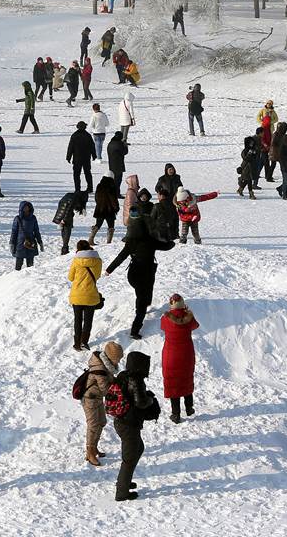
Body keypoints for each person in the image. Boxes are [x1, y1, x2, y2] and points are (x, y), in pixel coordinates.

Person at [106, 205, 175, 339]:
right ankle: (134, 330)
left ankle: (145, 304)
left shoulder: (131, 241)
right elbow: (167, 246)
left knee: (145, 294)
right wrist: (172, 240)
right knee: (142, 301)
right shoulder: (151, 240)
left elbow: (121, 257)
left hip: (133, 274)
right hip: (146, 274)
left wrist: (109, 269)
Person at [112, 351, 159, 501]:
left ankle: (124, 481)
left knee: (139, 448)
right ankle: (122, 492)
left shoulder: (123, 375)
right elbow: (141, 402)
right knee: (130, 458)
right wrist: (151, 399)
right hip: (128, 424)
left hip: (122, 421)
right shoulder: (136, 379)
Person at [80, 342, 122, 466]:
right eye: (117, 359)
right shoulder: (99, 369)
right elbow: (105, 389)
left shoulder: (106, 365)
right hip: (90, 399)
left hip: (96, 398)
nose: (118, 362)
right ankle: (89, 452)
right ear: (111, 357)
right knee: (93, 425)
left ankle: (94, 447)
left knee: (102, 422)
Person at [159, 294, 199, 423]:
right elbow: (195, 326)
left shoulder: (165, 319)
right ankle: (189, 408)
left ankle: (175, 414)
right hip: (186, 353)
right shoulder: (189, 318)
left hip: (171, 354)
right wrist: (188, 312)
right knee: (186, 378)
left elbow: (163, 327)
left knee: (173, 382)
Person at [67, 240, 102, 350]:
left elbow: (70, 277)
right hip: (90, 295)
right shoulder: (98, 260)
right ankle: (84, 342)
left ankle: (77, 344)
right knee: (88, 321)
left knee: (78, 320)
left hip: (77, 294)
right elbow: (97, 276)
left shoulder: (76, 260)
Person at [10, 200, 44, 270]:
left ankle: (29, 279)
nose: (26, 208)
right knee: (18, 264)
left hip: (31, 243)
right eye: (24, 207)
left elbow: (36, 231)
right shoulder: (18, 218)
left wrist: (40, 242)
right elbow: (14, 232)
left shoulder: (33, 218)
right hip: (20, 244)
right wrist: (12, 243)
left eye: (27, 207)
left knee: (30, 265)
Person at [52, 191, 87, 255]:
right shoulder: (74, 199)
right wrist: (64, 220)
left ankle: (65, 248)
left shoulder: (71, 196)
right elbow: (68, 210)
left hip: (62, 213)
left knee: (64, 230)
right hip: (66, 216)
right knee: (67, 230)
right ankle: (65, 249)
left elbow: (64, 206)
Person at [66, 121, 96, 193]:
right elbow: (92, 146)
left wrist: (68, 157)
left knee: (76, 174)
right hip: (86, 158)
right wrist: (94, 155)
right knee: (87, 173)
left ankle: (77, 189)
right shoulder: (88, 135)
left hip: (77, 158)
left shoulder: (74, 135)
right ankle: (90, 187)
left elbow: (70, 147)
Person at [90, 173, 119, 244]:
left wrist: (99, 204)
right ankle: (109, 242)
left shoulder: (99, 185)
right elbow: (113, 199)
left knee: (98, 224)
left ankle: (90, 239)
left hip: (100, 208)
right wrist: (116, 207)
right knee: (111, 226)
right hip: (109, 209)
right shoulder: (112, 186)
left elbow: (96, 197)